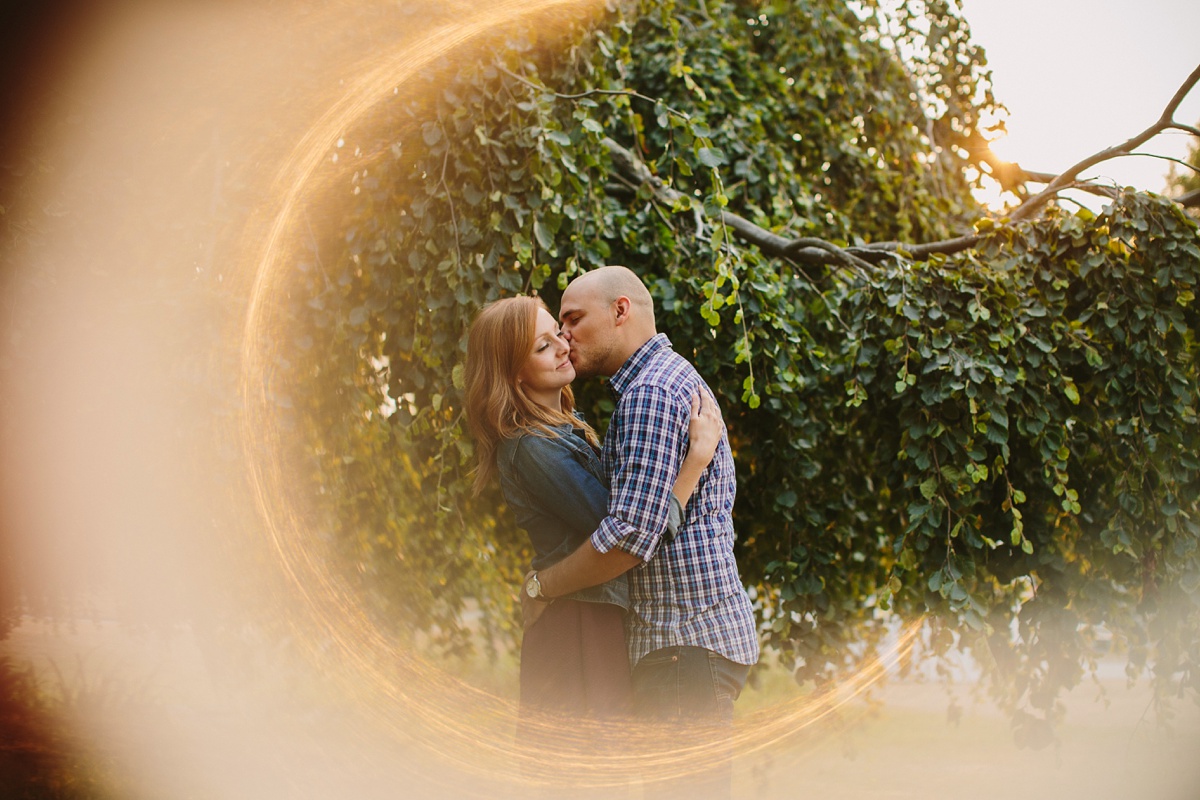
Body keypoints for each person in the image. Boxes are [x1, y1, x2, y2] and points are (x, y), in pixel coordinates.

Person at [522, 266, 760, 799]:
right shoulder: (666, 380)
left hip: (682, 644)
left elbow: (630, 538)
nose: (565, 337)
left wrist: (543, 586)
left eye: (574, 319)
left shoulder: (649, 394)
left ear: (621, 311)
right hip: (693, 643)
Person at [463, 295, 722, 723]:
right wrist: (694, 463)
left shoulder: (563, 430)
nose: (563, 346)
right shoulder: (531, 446)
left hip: (591, 614)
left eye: (558, 335)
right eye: (542, 346)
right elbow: (628, 532)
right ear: (512, 373)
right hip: (574, 622)